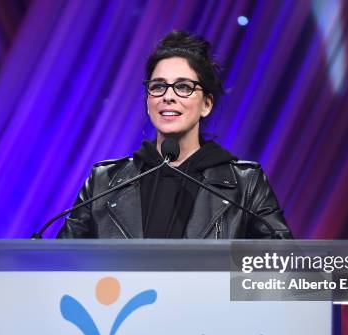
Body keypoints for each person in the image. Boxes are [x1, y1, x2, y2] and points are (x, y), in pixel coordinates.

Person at [56, 30, 292, 240]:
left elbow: (284, 270)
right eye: (158, 86)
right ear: (148, 102)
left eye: (183, 87)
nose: (168, 96)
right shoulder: (104, 180)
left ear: (206, 104)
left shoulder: (245, 184)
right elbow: (61, 266)